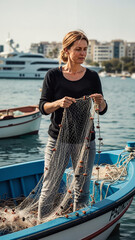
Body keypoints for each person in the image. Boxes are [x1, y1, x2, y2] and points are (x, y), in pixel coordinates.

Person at [38, 30, 107, 220]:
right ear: (67, 50)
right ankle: (40, 227)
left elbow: (102, 109)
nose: (83, 53)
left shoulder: (92, 76)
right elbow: (43, 107)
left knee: (82, 191)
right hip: (57, 141)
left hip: (85, 141)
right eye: (78, 49)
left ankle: (79, 224)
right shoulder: (53, 75)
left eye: (85, 49)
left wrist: (100, 101)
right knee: (49, 189)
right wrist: (59, 103)